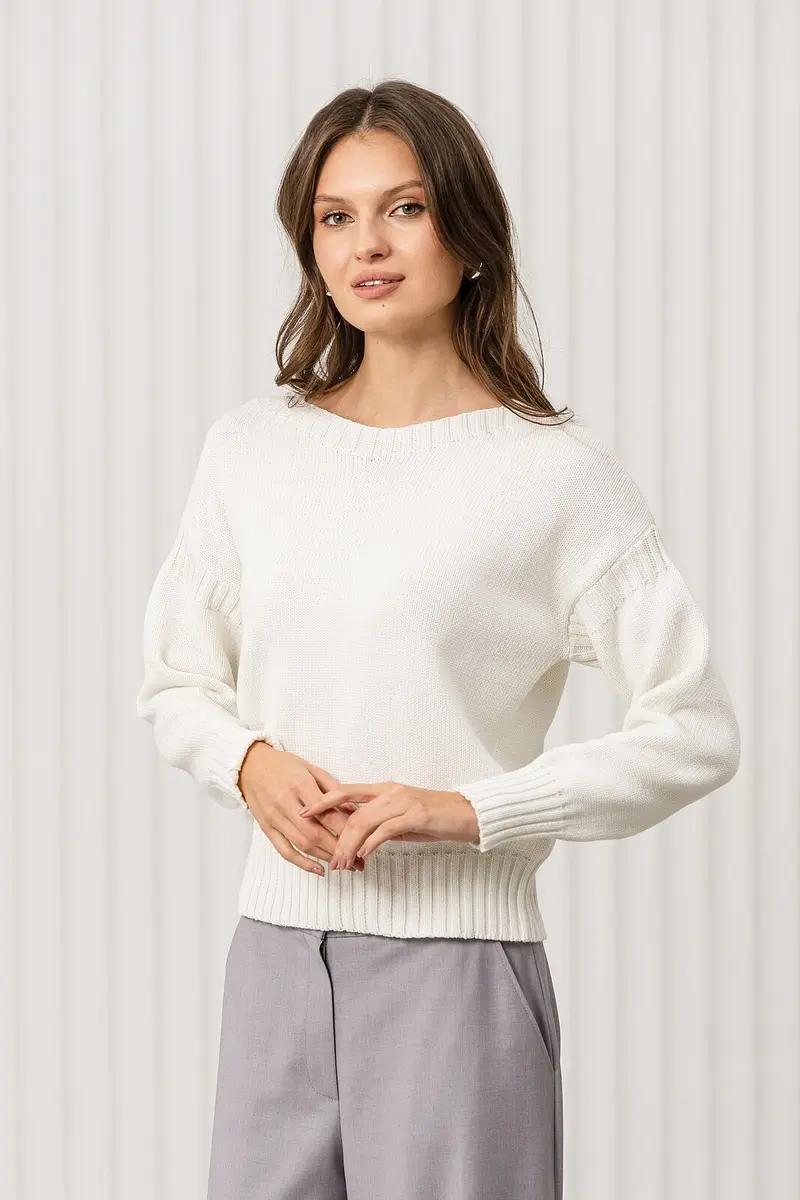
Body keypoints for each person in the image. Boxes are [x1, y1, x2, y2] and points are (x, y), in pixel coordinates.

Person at [135, 78, 741, 1200]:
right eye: (336, 216)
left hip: (458, 975)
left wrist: (472, 811)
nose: (367, 243)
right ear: (311, 246)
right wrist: (248, 762)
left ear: (466, 233)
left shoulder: (555, 476)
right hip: (273, 960)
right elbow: (175, 678)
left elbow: (695, 731)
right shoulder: (250, 450)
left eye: (403, 208)